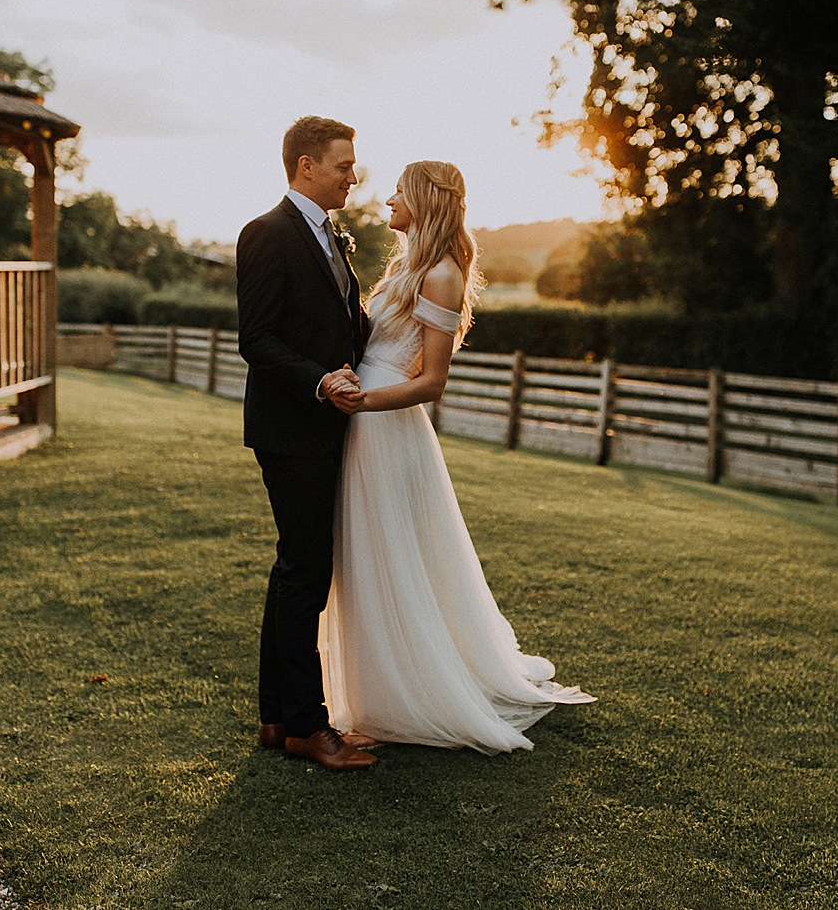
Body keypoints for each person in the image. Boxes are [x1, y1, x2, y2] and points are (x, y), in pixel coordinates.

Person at [320, 160, 594, 754]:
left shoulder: (441, 274)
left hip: (387, 426)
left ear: (423, 198)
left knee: (389, 553)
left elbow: (433, 381)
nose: (387, 197)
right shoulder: (404, 266)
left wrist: (365, 401)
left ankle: (407, 695)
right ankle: (377, 685)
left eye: (398, 189)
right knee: (367, 552)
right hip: (366, 418)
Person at [235, 116, 377, 771]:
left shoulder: (330, 235)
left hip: (322, 426)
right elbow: (256, 341)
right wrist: (320, 382)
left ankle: (275, 715)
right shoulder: (266, 233)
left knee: (296, 566)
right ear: (306, 166)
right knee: (306, 570)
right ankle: (306, 726)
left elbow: (346, 324)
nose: (354, 175)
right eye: (345, 165)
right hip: (292, 429)